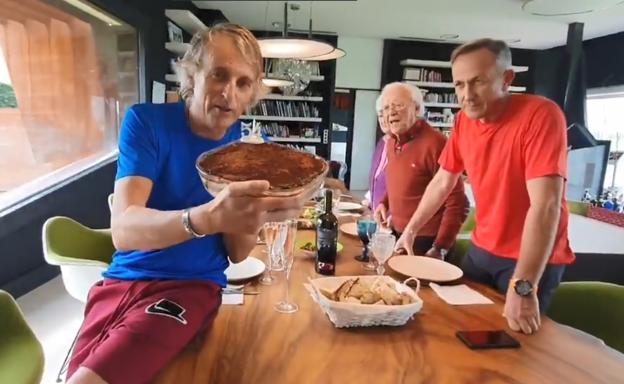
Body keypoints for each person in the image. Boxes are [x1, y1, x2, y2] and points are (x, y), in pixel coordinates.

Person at [67, 23, 311, 384]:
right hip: (123, 279)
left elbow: (239, 254)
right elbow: (123, 230)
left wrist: (258, 212)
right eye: (219, 75)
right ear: (192, 75)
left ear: (251, 95)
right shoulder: (146, 123)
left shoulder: (243, 148)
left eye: (243, 83)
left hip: (191, 288)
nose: (229, 93)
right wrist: (205, 218)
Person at [394, 38, 575, 335]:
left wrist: (524, 286)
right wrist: (411, 230)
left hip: (529, 257)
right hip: (482, 250)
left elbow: (546, 206)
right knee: (461, 328)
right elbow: (442, 181)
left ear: (507, 78)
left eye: (478, 82)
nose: (467, 95)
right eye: (459, 85)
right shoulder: (463, 121)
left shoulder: (541, 115)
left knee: (515, 347)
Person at [374, 82, 468, 258]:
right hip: (398, 234)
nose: (390, 112)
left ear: (417, 109)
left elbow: (458, 202)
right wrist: (384, 203)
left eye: (398, 105)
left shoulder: (436, 143)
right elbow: (403, 181)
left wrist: (440, 247)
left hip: (427, 241)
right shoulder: (392, 142)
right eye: (386, 108)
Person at [362, 95, 390, 213]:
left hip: (391, 217)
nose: (383, 119)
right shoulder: (382, 142)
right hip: (376, 212)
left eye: (387, 114)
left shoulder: (405, 146)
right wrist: (369, 198)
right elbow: (377, 177)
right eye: (380, 115)